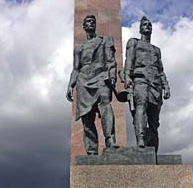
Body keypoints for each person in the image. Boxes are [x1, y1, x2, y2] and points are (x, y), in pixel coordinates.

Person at [66, 14, 118, 155]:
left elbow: (111, 61)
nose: (91, 23)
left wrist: (112, 76)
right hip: (83, 80)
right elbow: (76, 69)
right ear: (83, 26)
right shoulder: (79, 48)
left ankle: (111, 141)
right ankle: (91, 151)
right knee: (87, 118)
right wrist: (70, 85)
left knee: (106, 105)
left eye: (93, 21)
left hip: (101, 77)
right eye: (88, 22)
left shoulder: (105, 40)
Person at [123, 16, 171, 152]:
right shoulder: (134, 42)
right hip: (140, 80)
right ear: (140, 29)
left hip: (156, 84)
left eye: (150, 24)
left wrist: (166, 85)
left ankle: (153, 147)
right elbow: (129, 60)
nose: (147, 26)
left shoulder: (157, 50)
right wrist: (127, 77)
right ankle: (141, 139)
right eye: (145, 24)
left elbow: (161, 70)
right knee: (141, 106)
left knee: (154, 121)